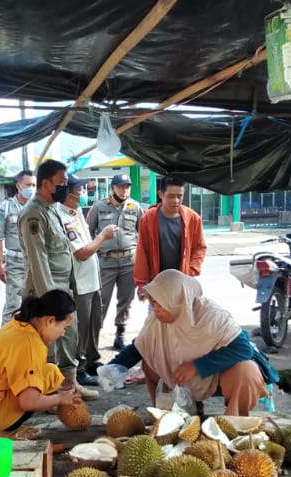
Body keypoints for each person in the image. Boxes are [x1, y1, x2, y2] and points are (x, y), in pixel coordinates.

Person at [135, 270, 270, 416]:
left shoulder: (213, 316)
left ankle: (235, 421)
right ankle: (167, 415)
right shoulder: (156, 321)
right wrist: (117, 366)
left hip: (215, 375)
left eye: (160, 304)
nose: (156, 309)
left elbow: (243, 349)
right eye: (153, 303)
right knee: (148, 359)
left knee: (246, 370)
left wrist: (197, 366)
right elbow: (138, 345)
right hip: (179, 378)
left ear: (176, 301)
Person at [17, 159, 98, 401]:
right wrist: (51, 302)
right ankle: (48, 393)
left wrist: (68, 290)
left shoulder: (52, 209)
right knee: (48, 345)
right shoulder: (33, 214)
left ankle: (69, 385)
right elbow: (39, 260)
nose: (66, 187)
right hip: (45, 294)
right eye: (61, 183)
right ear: (45, 183)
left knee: (69, 337)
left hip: (62, 290)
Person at [0, 290, 81, 440]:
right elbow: (29, 402)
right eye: (64, 328)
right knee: (36, 389)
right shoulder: (30, 344)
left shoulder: (20, 323)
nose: (63, 334)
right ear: (50, 321)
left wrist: (57, 391)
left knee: (51, 374)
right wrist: (60, 399)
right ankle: (3, 431)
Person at [57, 178, 117, 389]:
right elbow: (81, 252)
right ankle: (79, 369)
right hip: (80, 282)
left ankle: (90, 360)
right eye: (79, 190)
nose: (83, 193)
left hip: (92, 280)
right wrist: (103, 236)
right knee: (80, 328)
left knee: (94, 324)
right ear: (68, 193)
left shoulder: (77, 213)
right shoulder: (61, 217)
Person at [86, 174, 144, 350]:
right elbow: (88, 232)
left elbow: (143, 233)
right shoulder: (99, 206)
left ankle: (120, 334)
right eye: (121, 187)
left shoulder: (135, 207)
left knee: (126, 300)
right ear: (113, 188)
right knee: (101, 301)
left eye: (127, 187)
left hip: (129, 261)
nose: (124, 190)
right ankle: (93, 337)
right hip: (106, 261)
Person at [134, 177, 207, 299]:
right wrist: (141, 283)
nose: (176, 201)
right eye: (171, 196)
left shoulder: (192, 218)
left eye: (180, 196)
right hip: (156, 283)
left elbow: (200, 247)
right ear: (161, 194)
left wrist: (190, 270)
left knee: (183, 316)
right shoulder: (148, 219)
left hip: (183, 283)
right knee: (157, 316)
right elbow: (142, 252)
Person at [0, 170, 33, 325]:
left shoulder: (37, 207)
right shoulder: (5, 209)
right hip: (15, 263)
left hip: (34, 263)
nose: (32, 188)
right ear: (18, 186)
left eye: (34, 185)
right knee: (14, 305)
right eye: (28, 184)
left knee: (33, 305)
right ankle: (5, 343)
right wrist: (0, 265)